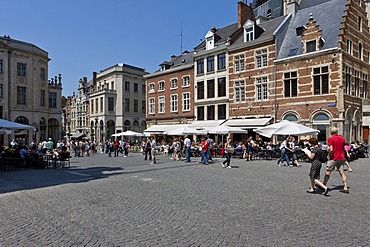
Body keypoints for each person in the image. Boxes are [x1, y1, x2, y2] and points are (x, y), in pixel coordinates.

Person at [323, 127, 349, 194]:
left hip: (334, 157)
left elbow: (331, 149)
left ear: (331, 132)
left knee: (328, 172)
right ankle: (345, 187)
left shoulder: (331, 139)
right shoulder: (342, 138)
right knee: (342, 172)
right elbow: (343, 147)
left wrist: (329, 155)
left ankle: (324, 185)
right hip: (341, 157)